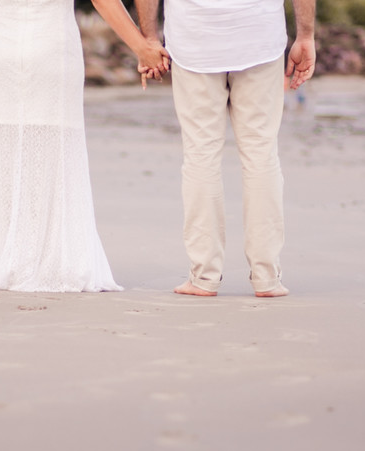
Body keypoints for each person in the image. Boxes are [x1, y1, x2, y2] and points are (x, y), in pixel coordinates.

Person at [0, 0, 170, 292]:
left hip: (2, 51)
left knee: (5, 159)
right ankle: (56, 261)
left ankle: (3, 262)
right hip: (53, 51)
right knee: (56, 156)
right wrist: (142, 47)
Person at [134, 0, 316, 297]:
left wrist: (149, 38)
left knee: (200, 156)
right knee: (262, 155)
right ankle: (267, 276)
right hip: (258, 33)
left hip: (194, 36)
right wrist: (305, 34)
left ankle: (204, 276)